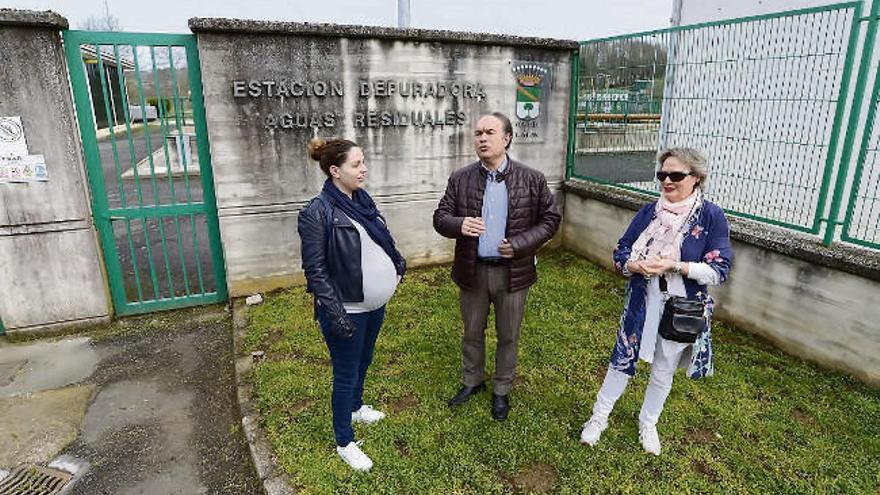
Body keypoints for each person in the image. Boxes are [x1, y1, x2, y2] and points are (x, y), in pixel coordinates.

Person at [579, 147, 733, 455]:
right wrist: (635, 266)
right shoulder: (649, 211)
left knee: (663, 369)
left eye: (676, 175)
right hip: (642, 301)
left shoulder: (711, 216)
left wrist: (674, 266)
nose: (667, 181)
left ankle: (648, 423)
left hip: (682, 308)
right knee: (622, 360)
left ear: (697, 179)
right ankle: (599, 417)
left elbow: (719, 270)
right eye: (662, 175)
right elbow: (621, 251)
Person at [433, 112, 561, 421]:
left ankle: (502, 389)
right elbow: (440, 217)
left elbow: (550, 219)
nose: (481, 138)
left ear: (506, 139)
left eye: (489, 132)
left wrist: (520, 244)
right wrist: (460, 223)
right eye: (477, 133)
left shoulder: (532, 178)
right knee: (472, 331)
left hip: (513, 273)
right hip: (472, 270)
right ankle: (472, 381)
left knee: (508, 335)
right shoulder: (460, 178)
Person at [297, 137, 406, 471]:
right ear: (334, 171)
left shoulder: (361, 200)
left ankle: (357, 407)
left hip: (373, 307)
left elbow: (379, 239)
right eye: (356, 164)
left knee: (365, 359)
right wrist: (337, 315)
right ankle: (344, 441)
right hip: (347, 311)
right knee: (345, 373)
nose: (364, 169)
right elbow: (315, 271)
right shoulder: (316, 213)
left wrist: (397, 264)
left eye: (363, 162)